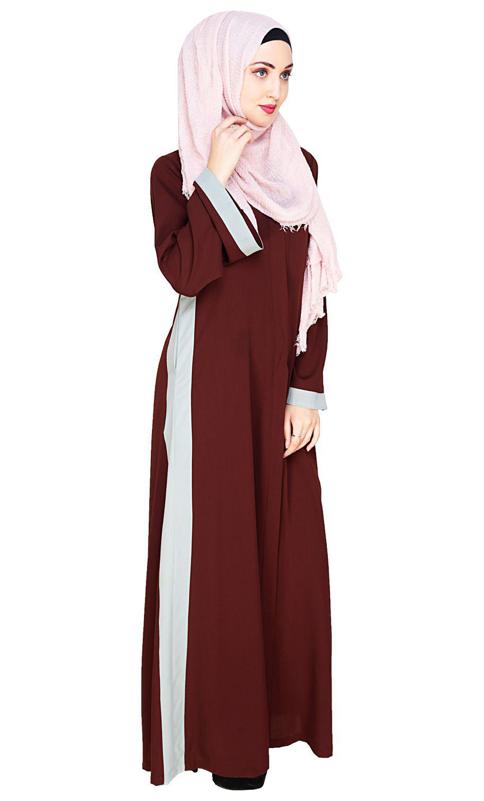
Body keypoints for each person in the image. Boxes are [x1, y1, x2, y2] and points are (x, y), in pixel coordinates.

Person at [141, 10, 342, 790]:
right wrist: (216, 178)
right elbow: (189, 273)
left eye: (285, 74)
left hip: (278, 388)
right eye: (260, 71)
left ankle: (276, 722)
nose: (275, 90)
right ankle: (225, 745)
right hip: (209, 387)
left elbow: (313, 288)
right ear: (217, 72)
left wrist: (307, 387)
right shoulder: (174, 172)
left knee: (288, 554)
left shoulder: (301, 166)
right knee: (219, 556)